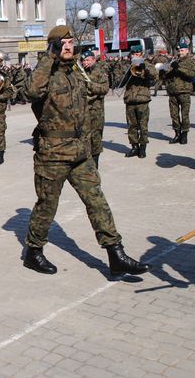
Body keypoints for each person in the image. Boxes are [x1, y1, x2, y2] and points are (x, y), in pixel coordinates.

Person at [22, 25, 151, 277]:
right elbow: (31, 92)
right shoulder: (45, 73)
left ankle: (116, 253)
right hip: (53, 154)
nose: (70, 46)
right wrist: (50, 56)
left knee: (97, 200)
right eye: (65, 42)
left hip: (81, 152)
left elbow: (97, 90)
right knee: (47, 206)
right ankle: (33, 251)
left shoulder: (76, 72)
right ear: (55, 45)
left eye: (71, 41)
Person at [123, 45, 155, 158]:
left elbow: (154, 76)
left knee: (143, 126)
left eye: (138, 55)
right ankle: (134, 147)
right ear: (131, 55)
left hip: (142, 99)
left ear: (141, 55)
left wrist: (144, 69)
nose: (136, 56)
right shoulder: (126, 65)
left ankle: (142, 148)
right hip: (130, 100)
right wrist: (127, 73)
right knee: (132, 126)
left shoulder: (147, 64)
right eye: (134, 55)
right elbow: (119, 81)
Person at [81, 50, 110, 168]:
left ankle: (95, 165)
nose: (85, 63)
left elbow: (104, 89)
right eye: (83, 61)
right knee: (84, 138)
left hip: (96, 111)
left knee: (96, 138)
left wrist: (89, 84)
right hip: (83, 111)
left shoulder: (99, 72)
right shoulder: (80, 72)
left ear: (93, 60)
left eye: (87, 60)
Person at [162, 44, 195, 144]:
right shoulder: (174, 60)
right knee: (174, 114)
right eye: (178, 51)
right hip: (172, 91)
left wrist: (179, 68)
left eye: (181, 50)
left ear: (186, 51)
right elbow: (167, 74)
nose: (179, 52)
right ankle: (177, 134)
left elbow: (192, 73)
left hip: (184, 91)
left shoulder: (190, 61)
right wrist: (164, 71)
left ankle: (184, 134)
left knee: (185, 114)